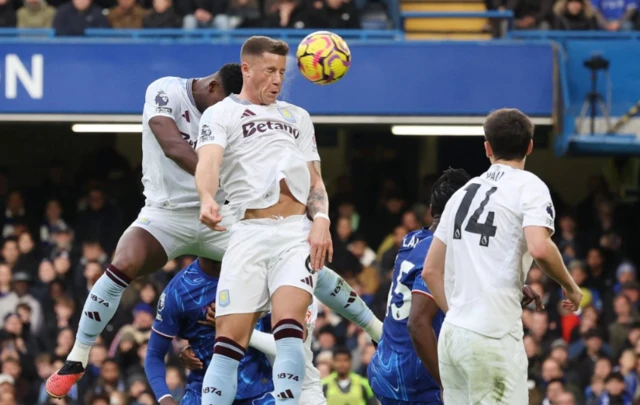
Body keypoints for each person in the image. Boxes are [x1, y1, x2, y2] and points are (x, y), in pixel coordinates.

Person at [48, 58, 382, 399]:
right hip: (167, 214)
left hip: (222, 218)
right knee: (125, 260)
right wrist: (221, 176)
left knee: (306, 261)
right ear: (212, 88)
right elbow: (173, 146)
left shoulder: (241, 114)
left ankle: (376, 328)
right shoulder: (166, 91)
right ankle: (78, 355)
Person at [195, 36, 332, 405]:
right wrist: (207, 197)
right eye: (270, 71)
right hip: (246, 233)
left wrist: (321, 219)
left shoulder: (297, 117)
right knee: (227, 346)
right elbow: (207, 164)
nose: (277, 79)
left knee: (289, 332)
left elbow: (315, 180)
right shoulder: (221, 114)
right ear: (246, 69)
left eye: (282, 73)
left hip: (294, 234)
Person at [422, 108, 582, 404]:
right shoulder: (529, 186)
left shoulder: (461, 194)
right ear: (531, 147)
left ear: (487, 147)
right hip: (492, 337)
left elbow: (431, 271)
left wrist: (460, 314)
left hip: (453, 336)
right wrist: (571, 286)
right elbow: (539, 246)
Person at [145, 257, 274, 405]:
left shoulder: (257, 273)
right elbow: (154, 353)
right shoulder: (179, 291)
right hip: (203, 394)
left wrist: (233, 325)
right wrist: (165, 398)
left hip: (259, 392)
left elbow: (290, 335)